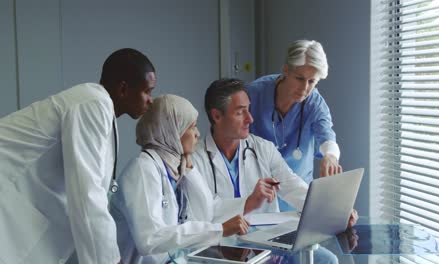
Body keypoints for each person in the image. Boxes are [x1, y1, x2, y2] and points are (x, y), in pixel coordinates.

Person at [0, 48, 155, 264]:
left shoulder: (102, 111)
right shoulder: (92, 104)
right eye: (148, 91)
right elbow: (87, 195)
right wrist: (111, 261)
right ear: (123, 89)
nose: (151, 100)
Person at [192, 78, 354, 263]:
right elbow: (202, 215)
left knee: (327, 261)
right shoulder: (195, 160)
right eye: (240, 112)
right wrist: (249, 203)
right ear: (216, 116)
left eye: (248, 109)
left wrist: (336, 212)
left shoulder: (262, 149)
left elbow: (294, 187)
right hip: (225, 249)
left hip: (269, 244)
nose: (250, 119)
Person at [109, 94, 250, 263]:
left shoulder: (173, 167)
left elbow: (205, 212)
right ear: (172, 132)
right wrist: (219, 230)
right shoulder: (142, 170)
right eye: (192, 127)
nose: (197, 134)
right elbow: (150, 239)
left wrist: (190, 169)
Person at [247, 40, 341, 182]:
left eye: (311, 82)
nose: (304, 88)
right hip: (258, 187)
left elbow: (326, 134)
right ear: (285, 70)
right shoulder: (254, 94)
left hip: (298, 192)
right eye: (299, 78)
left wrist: (330, 156)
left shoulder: (314, 102)